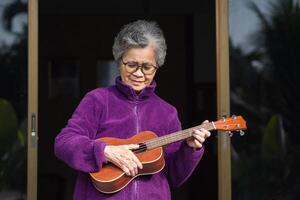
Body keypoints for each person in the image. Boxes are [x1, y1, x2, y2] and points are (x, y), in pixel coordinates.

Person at [54, 19, 211, 200]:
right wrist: (104, 151)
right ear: (120, 61)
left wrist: (190, 149)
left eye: (147, 67)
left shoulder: (168, 113)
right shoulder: (96, 100)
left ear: (157, 66)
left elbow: (174, 176)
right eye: (131, 65)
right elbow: (64, 143)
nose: (138, 73)